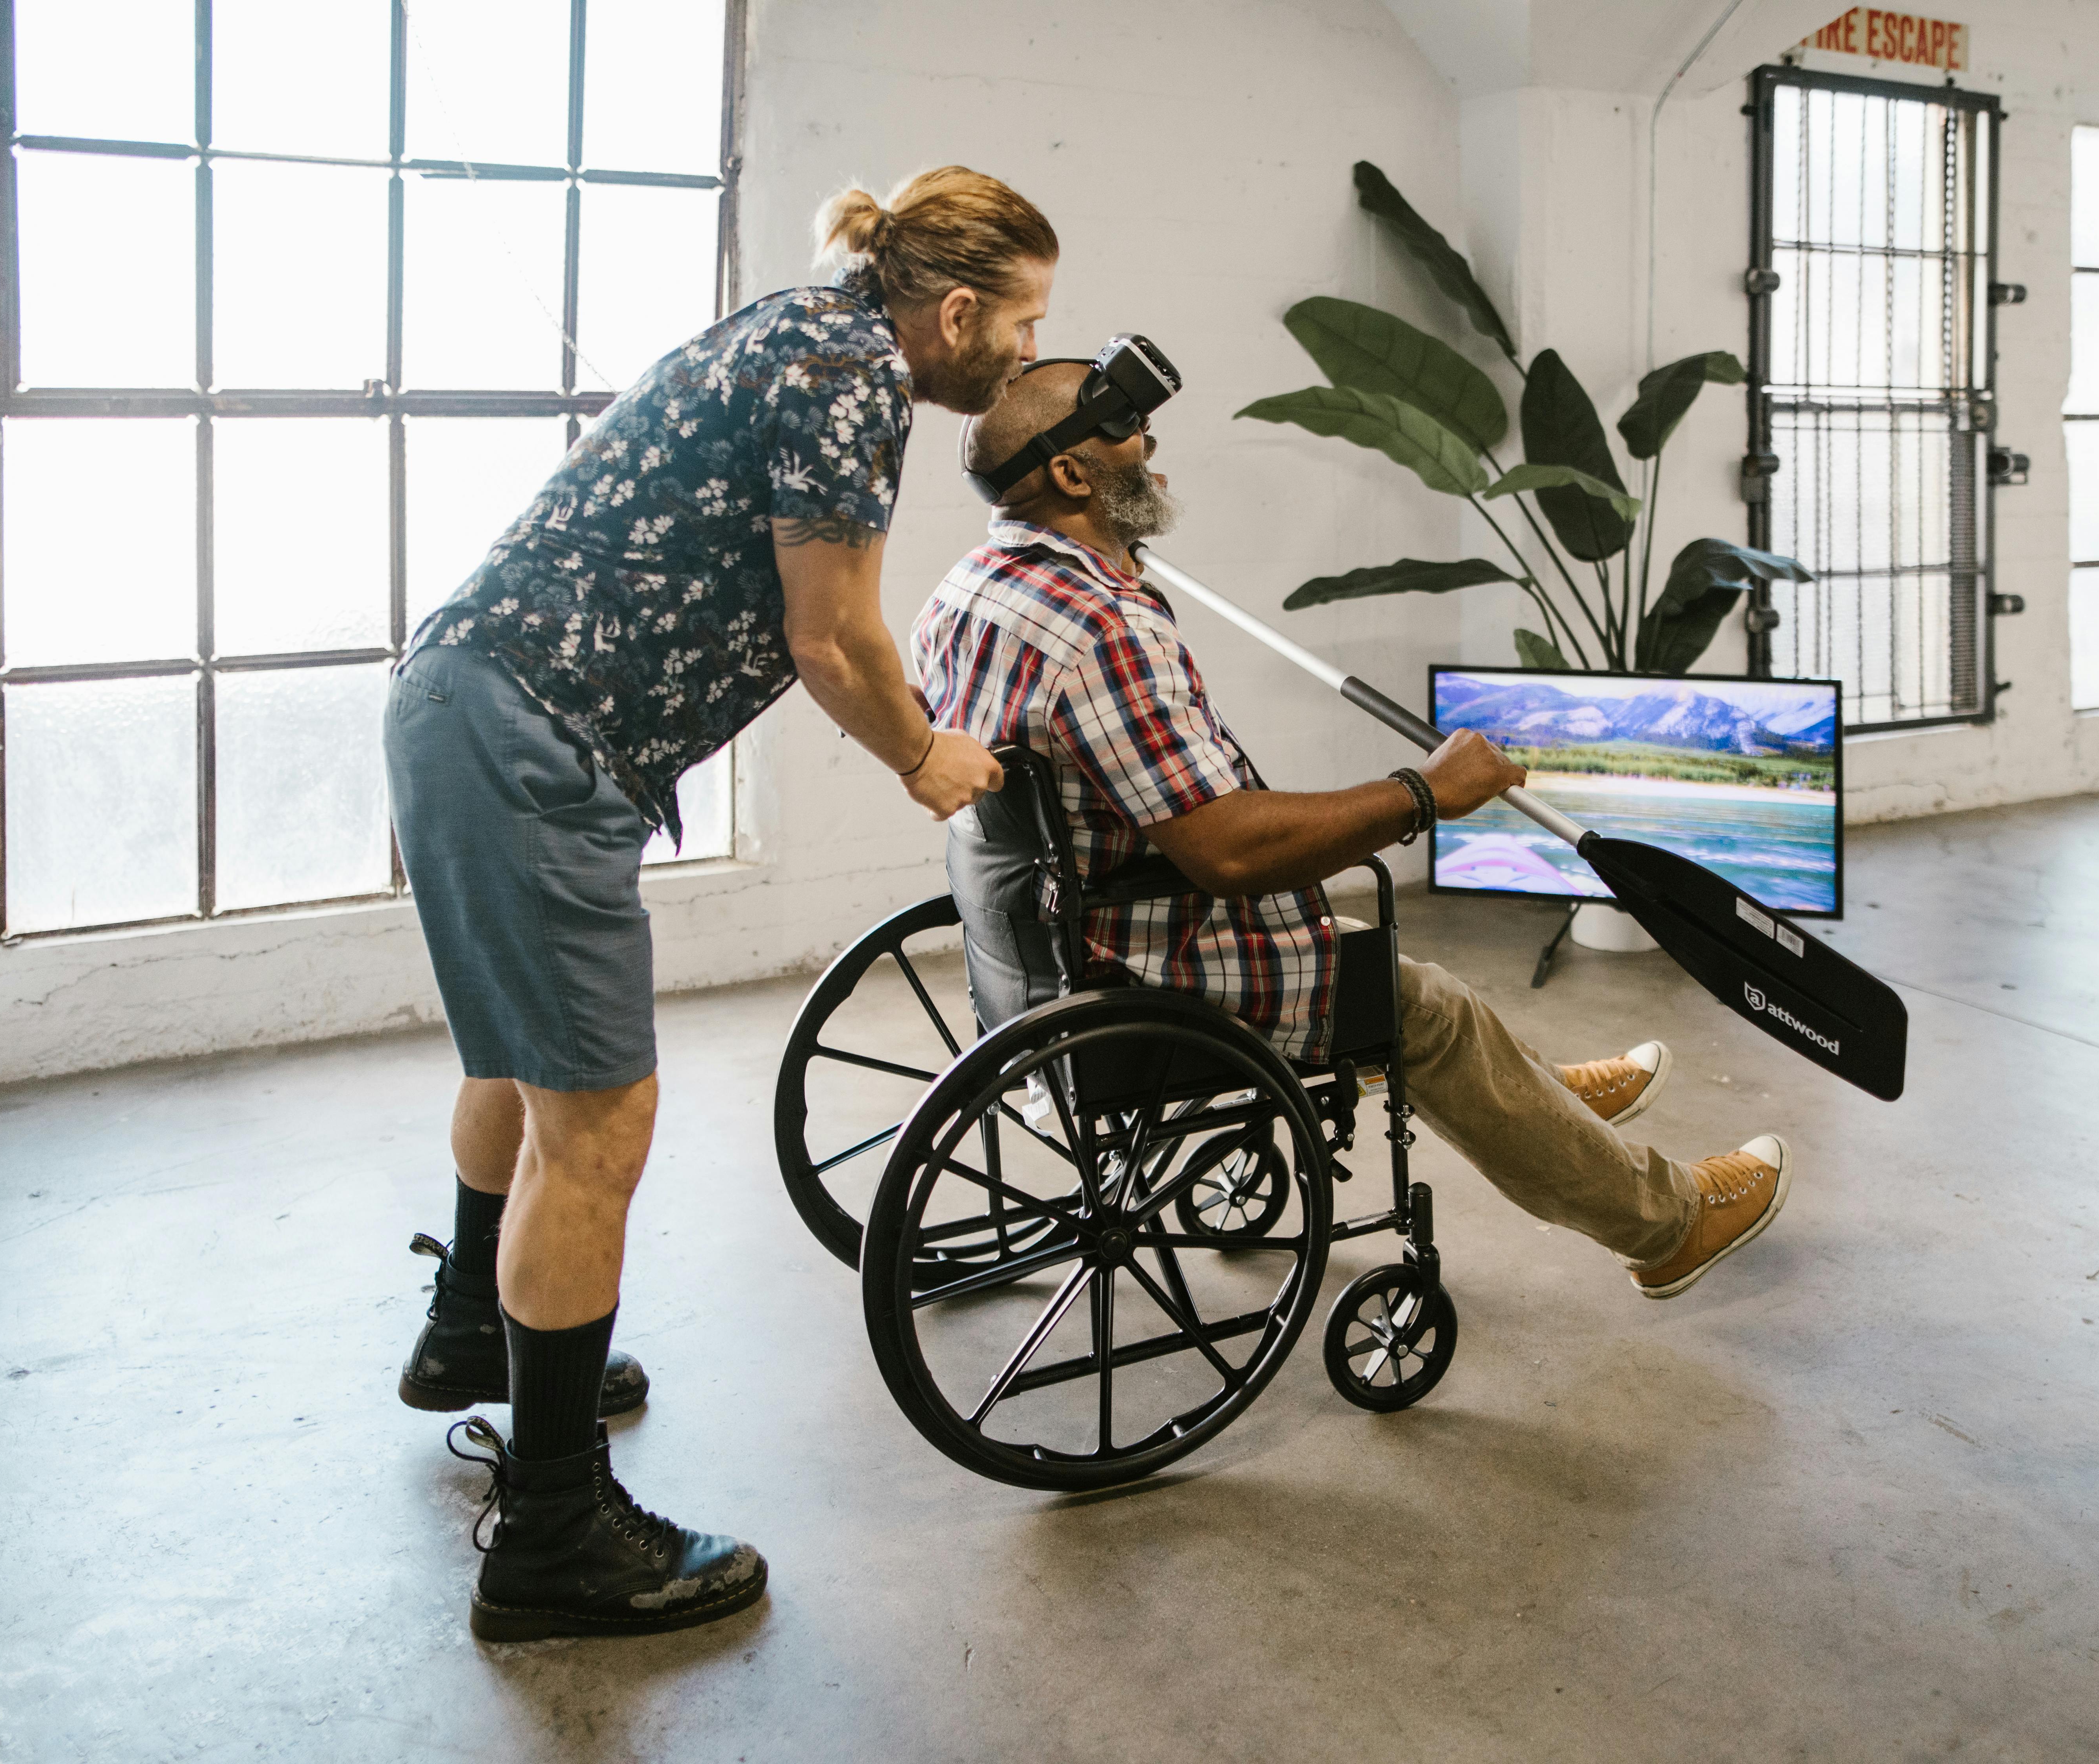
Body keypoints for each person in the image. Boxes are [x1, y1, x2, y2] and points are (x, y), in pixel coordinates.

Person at [383, 167, 1050, 1643]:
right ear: (953, 313)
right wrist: (926, 754)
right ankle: (556, 1536)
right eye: (1022, 322)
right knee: (600, 1127)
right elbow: (832, 636)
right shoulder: (854, 377)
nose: (1022, 350)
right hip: (532, 736)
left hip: (471, 700)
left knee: (520, 1059)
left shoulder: (802, 324)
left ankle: (466, 1342)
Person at [913, 363, 1793, 1299]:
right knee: (1428, 1009)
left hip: (1036, 959)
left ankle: (1546, 1097)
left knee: (1423, 992)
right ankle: (1668, 1225)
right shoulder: (1103, 623)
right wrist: (1422, 791)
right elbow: (1228, 851)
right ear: (1076, 479)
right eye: (1125, 428)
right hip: (1157, 966)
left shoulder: (967, 593)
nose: (1151, 445)